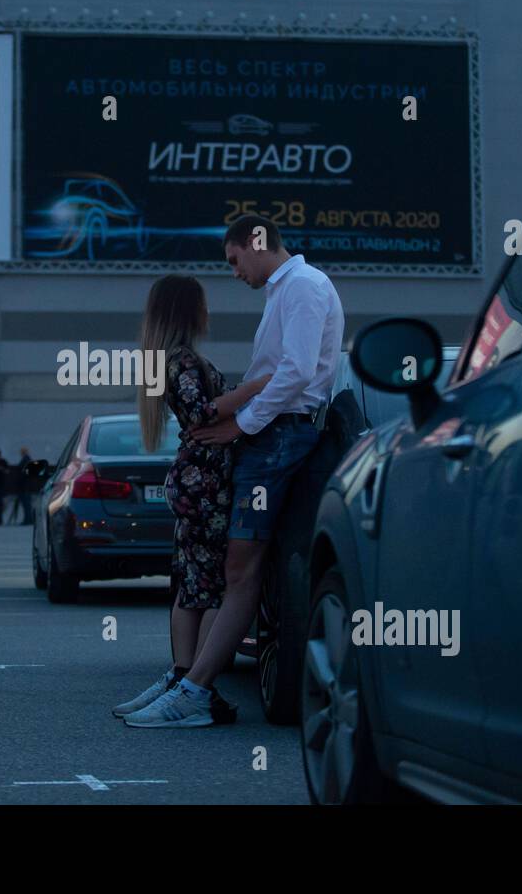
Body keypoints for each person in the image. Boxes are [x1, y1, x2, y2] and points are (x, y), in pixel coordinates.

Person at [123, 216, 343, 728]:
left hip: (280, 434)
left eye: (234, 260)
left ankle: (194, 689)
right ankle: (191, 683)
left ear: (256, 242)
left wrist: (242, 424)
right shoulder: (285, 292)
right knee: (231, 572)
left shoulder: (304, 287)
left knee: (239, 572)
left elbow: (297, 371)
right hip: (273, 434)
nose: (235, 273)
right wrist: (245, 420)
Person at [114, 275, 273, 727]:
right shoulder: (182, 360)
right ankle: (194, 691)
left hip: (193, 478)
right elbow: (203, 411)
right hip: (207, 481)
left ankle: (182, 679)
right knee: (218, 586)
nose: (208, 311)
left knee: (191, 583)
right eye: (202, 304)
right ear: (188, 310)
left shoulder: (165, 359)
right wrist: (256, 386)